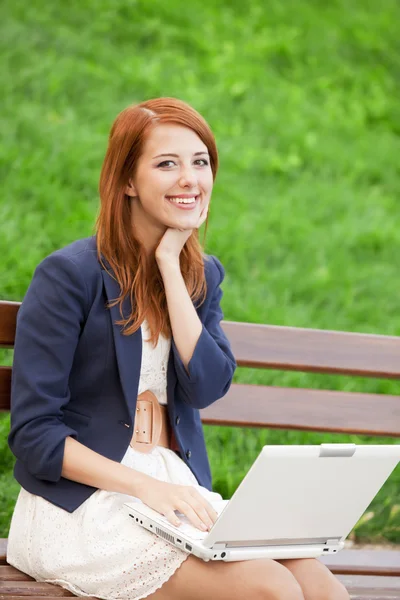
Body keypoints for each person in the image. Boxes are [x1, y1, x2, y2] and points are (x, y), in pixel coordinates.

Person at [6, 97, 349, 600]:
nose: (190, 178)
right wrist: (143, 487)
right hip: (85, 506)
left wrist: (170, 265)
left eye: (200, 162)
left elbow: (207, 385)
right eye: (167, 163)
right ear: (127, 180)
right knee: (270, 587)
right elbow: (35, 434)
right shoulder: (69, 276)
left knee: (318, 583)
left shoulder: (199, 275)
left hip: (176, 488)